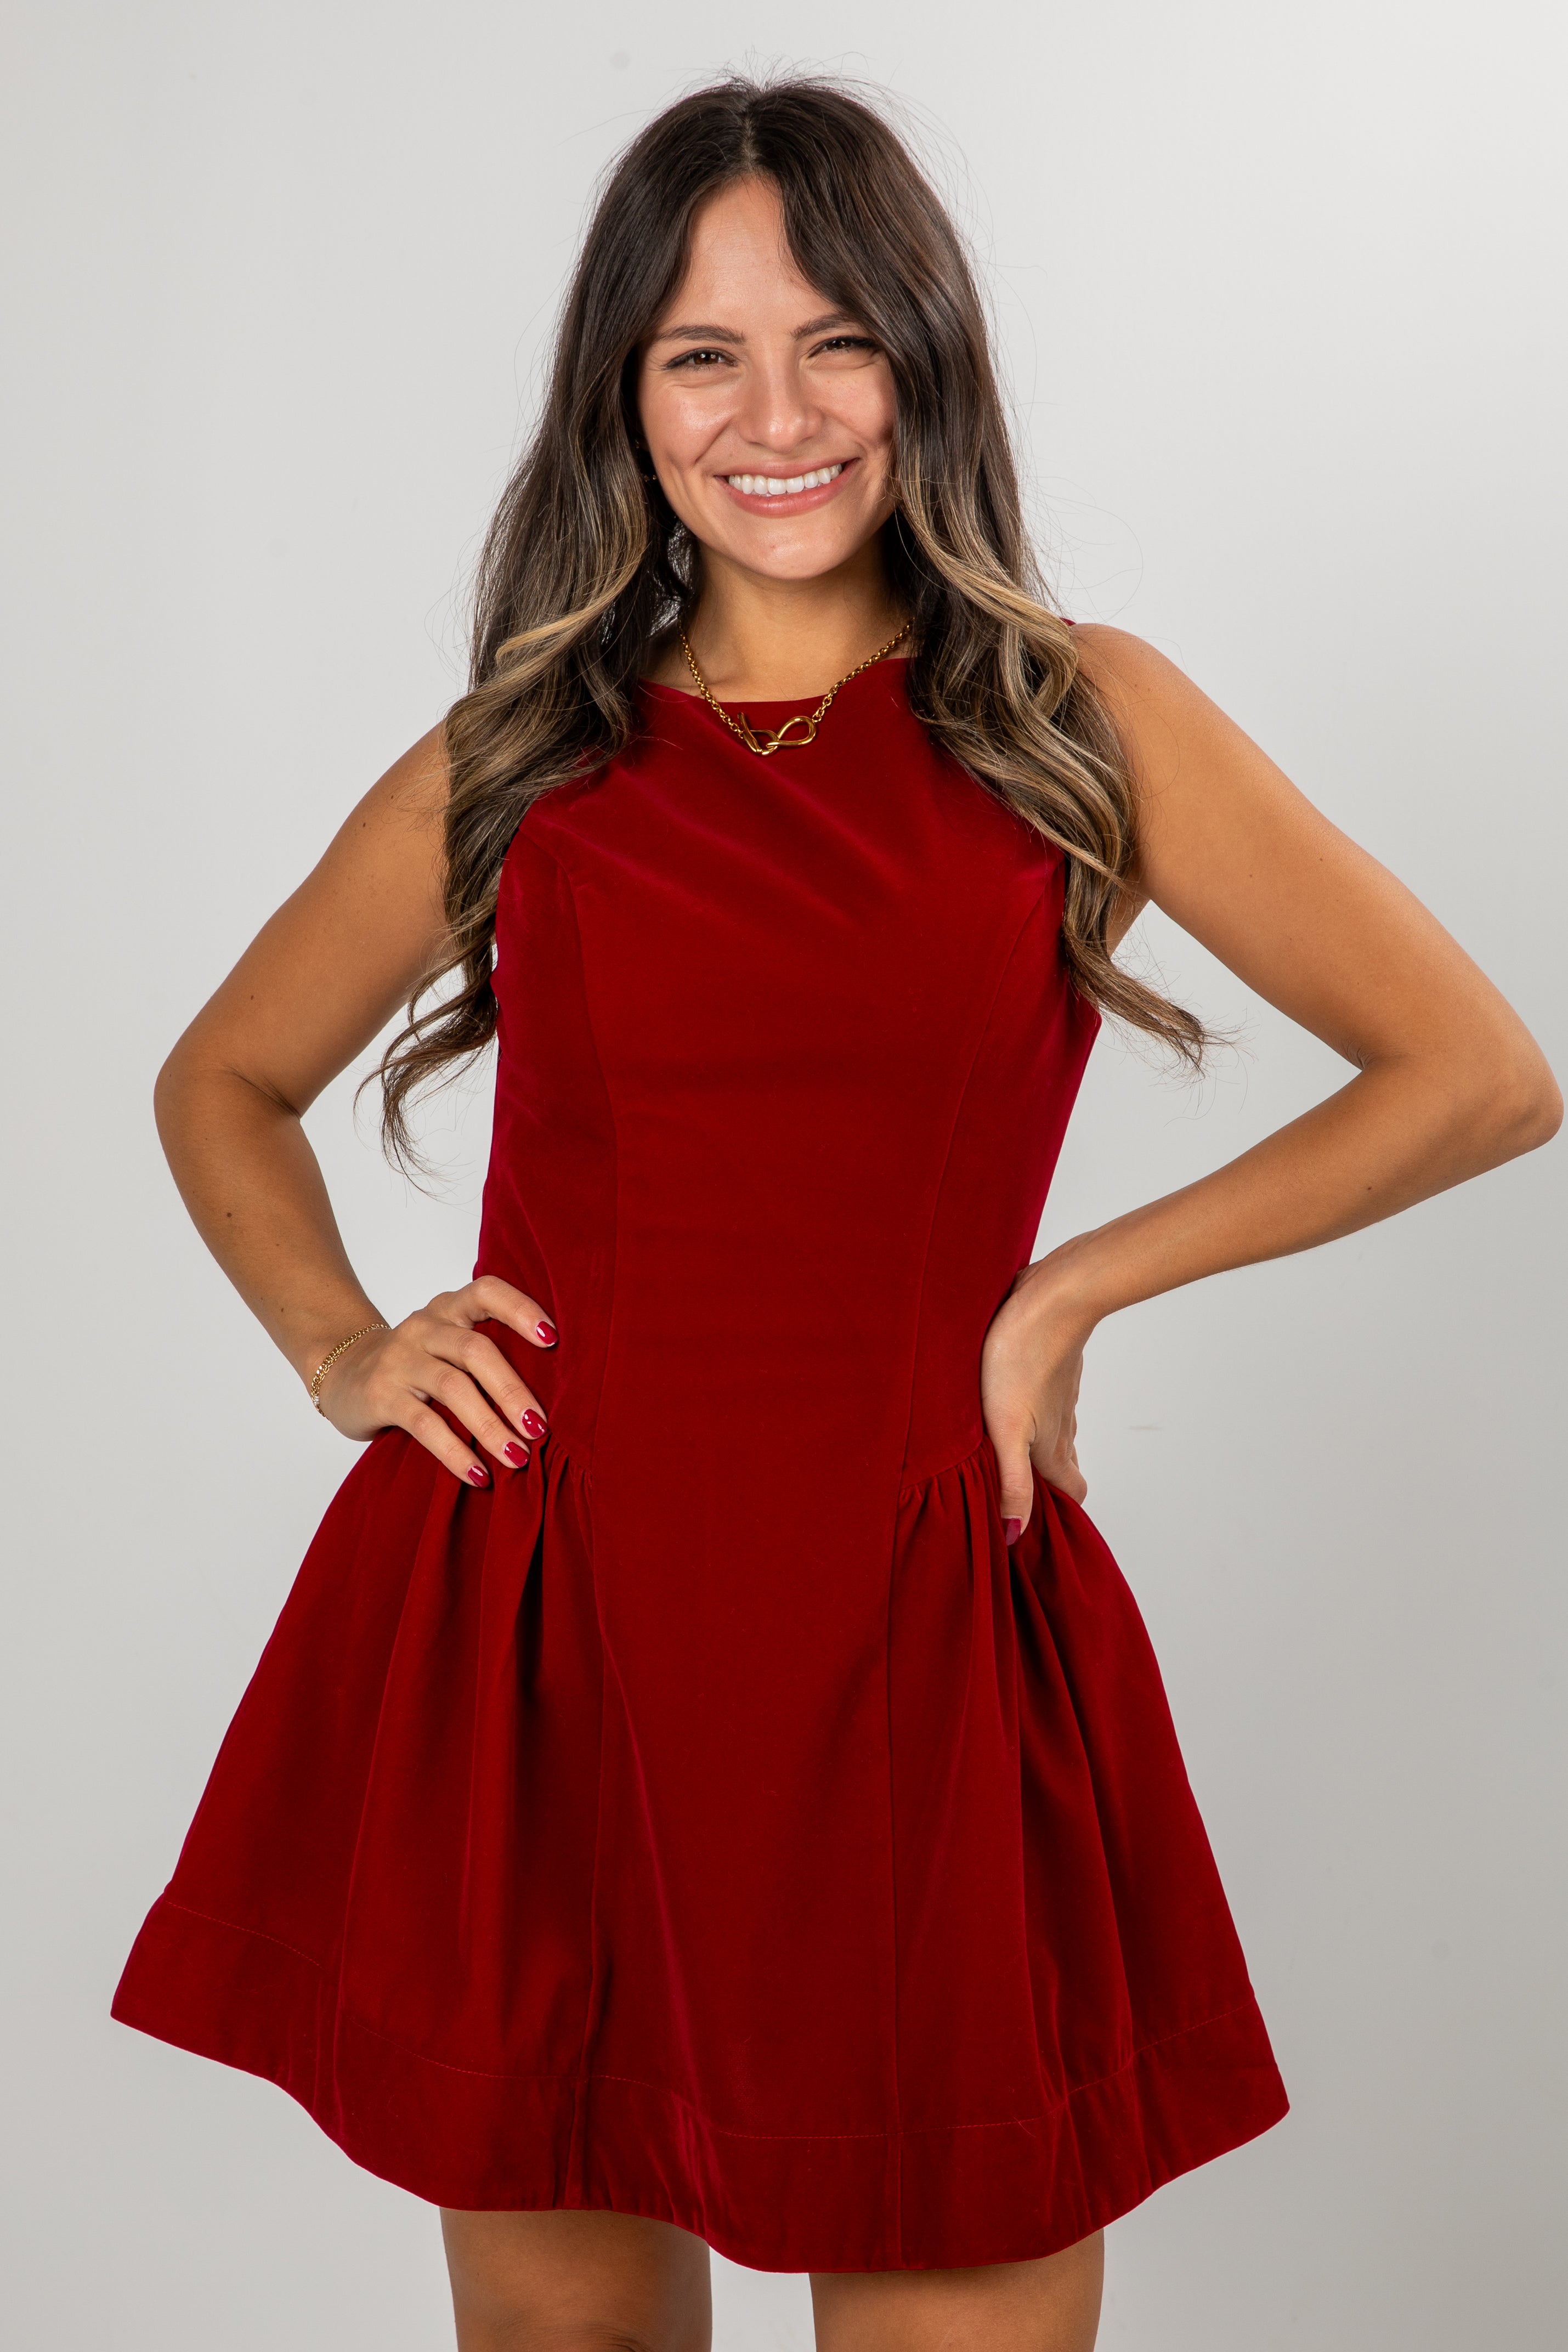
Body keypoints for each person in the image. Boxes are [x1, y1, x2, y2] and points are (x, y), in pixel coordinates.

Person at [112, 74, 1559, 2352]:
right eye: (701, 352)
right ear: (627, 393)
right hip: (544, 1628)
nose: (771, 412)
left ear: (924, 361)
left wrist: (1072, 1285)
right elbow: (224, 1077)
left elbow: (1477, 1074)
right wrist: (338, 1340)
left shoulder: (1077, 718)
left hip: (912, 1629)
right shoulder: (533, 751)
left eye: (833, 340)